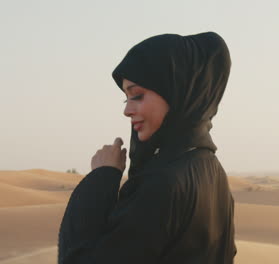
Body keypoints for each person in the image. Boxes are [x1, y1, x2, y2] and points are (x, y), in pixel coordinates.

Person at [57, 32, 237, 263]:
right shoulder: (212, 170)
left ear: (177, 91)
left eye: (138, 96)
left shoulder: (164, 183)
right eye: (126, 98)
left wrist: (101, 178)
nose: (127, 110)